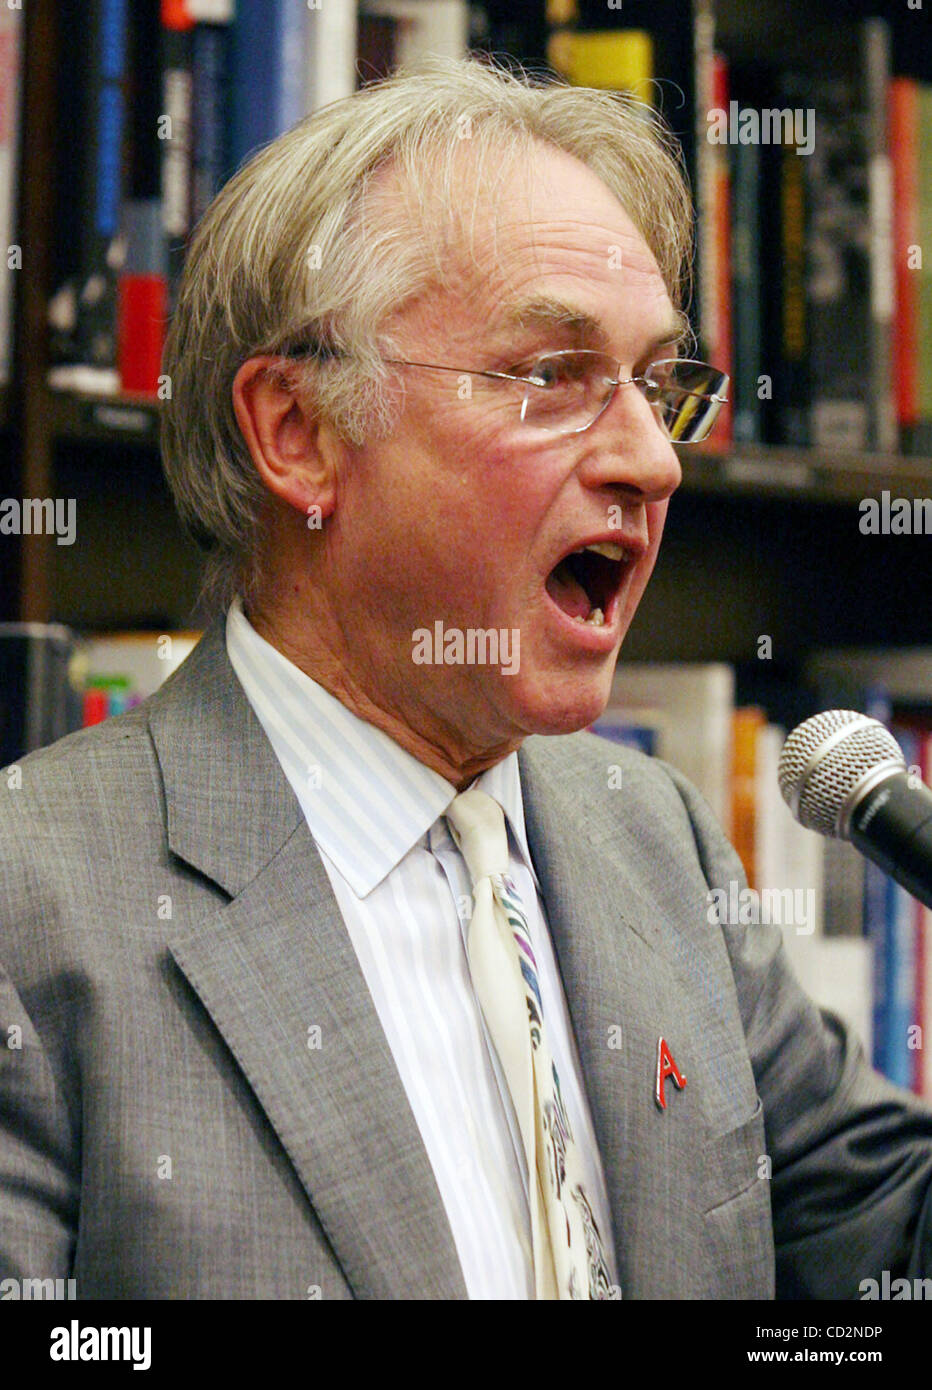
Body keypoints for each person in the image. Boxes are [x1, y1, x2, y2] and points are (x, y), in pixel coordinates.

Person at [1, 56, 931, 1301]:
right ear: (299, 431)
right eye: (551, 375)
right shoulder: (32, 903)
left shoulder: (647, 834)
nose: (651, 462)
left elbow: (878, 1247)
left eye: (660, 386)